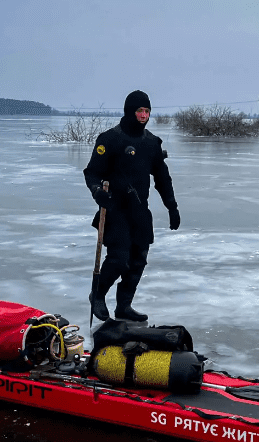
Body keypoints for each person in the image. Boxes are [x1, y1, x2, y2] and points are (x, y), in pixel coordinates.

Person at [84, 90, 180, 322]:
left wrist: (172, 207)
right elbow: (92, 172)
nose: (144, 115)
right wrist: (98, 192)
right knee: (118, 258)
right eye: (140, 111)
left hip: (139, 211)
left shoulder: (151, 143)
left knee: (138, 260)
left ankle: (123, 306)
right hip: (114, 209)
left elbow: (162, 178)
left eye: (147, 111)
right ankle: (97, 295)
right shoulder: (109, 139)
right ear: (130, 111)